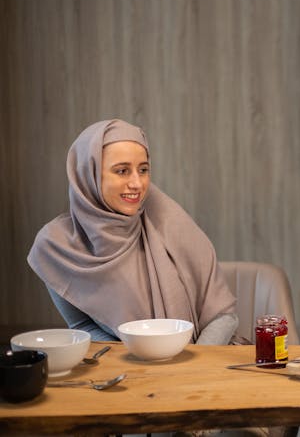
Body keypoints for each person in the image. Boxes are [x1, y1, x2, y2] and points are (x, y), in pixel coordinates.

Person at [28, 119, 239, 345]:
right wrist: (138, 358)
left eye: (143, 170)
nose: (137, 183)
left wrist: (192, 368)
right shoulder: (55, 247)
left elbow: (223, 316)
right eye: (122, 171)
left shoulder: (172, 223)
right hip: (127, 371)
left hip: (201, 362)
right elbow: (82, 325)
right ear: (88, 174)